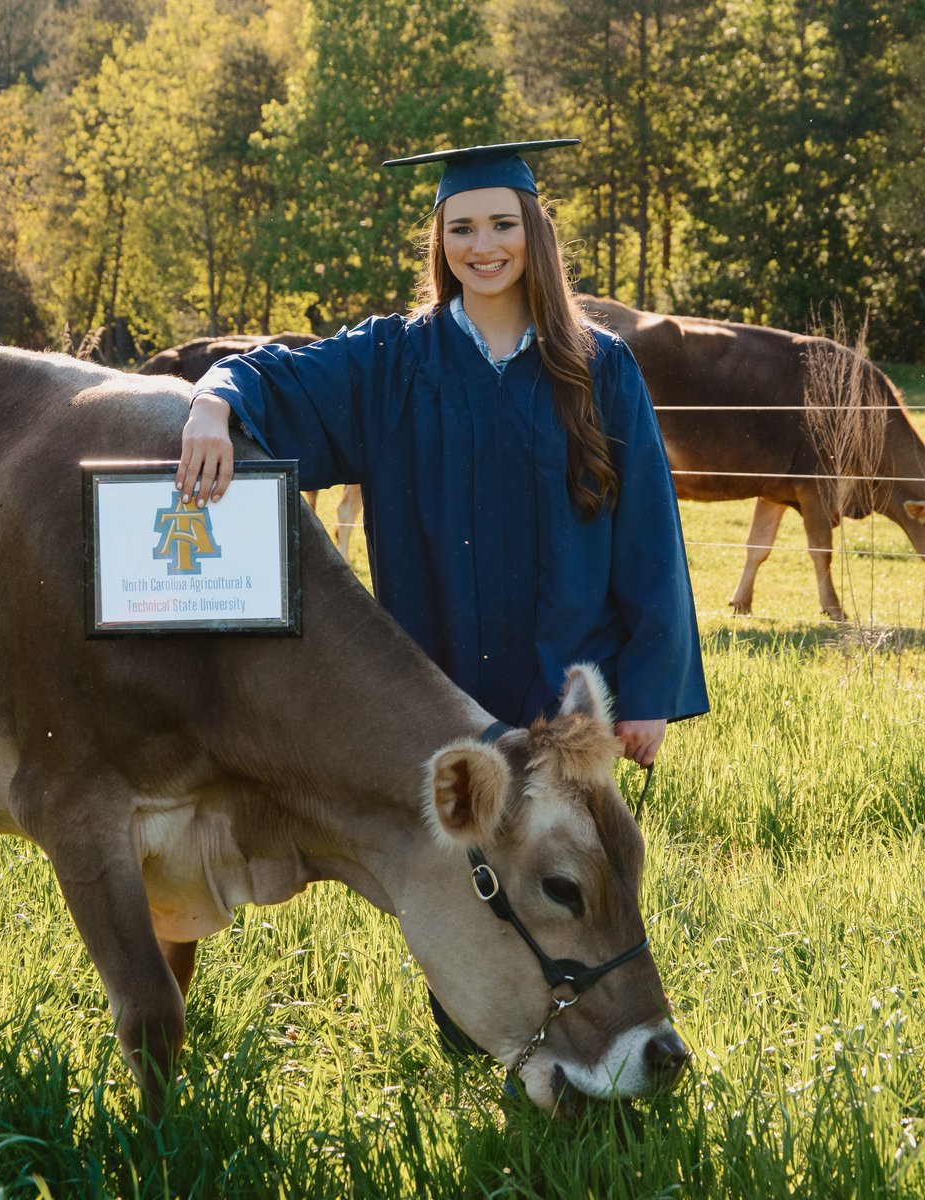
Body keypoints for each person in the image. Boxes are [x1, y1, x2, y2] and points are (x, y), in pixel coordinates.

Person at [177, 139, 708, 765]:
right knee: (446, 859)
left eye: (502, 225)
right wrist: (214, 404)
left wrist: (647, 693)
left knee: (557, 861)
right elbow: (273, 377)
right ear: (441, 241)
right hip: (433, 698)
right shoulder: (392, 362)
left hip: (570, 703)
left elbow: (649, 535)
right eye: (463, 228)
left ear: (533, 232)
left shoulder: (599, 367)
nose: (483, 247)